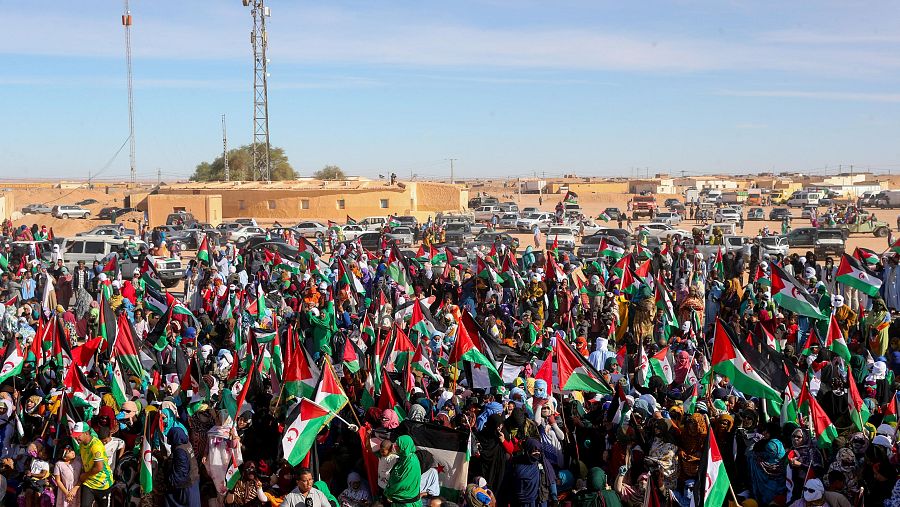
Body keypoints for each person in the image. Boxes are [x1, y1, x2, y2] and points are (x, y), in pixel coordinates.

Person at [72, 422, 113, 507]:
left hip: (103, 483)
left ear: (86, 433)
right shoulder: (82, 444)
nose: (76, 438)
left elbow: (99, 467)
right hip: (89, 483)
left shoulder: (95, 446)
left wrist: (85, 475)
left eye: (78, 435)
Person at [384, 436, 421, 506]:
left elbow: (403, 484)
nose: (395, 447)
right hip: (397, 499)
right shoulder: (403, 458)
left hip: (405, 502)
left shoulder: (411, 462)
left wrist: (389, 492)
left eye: (398, 446)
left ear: (404, 447)